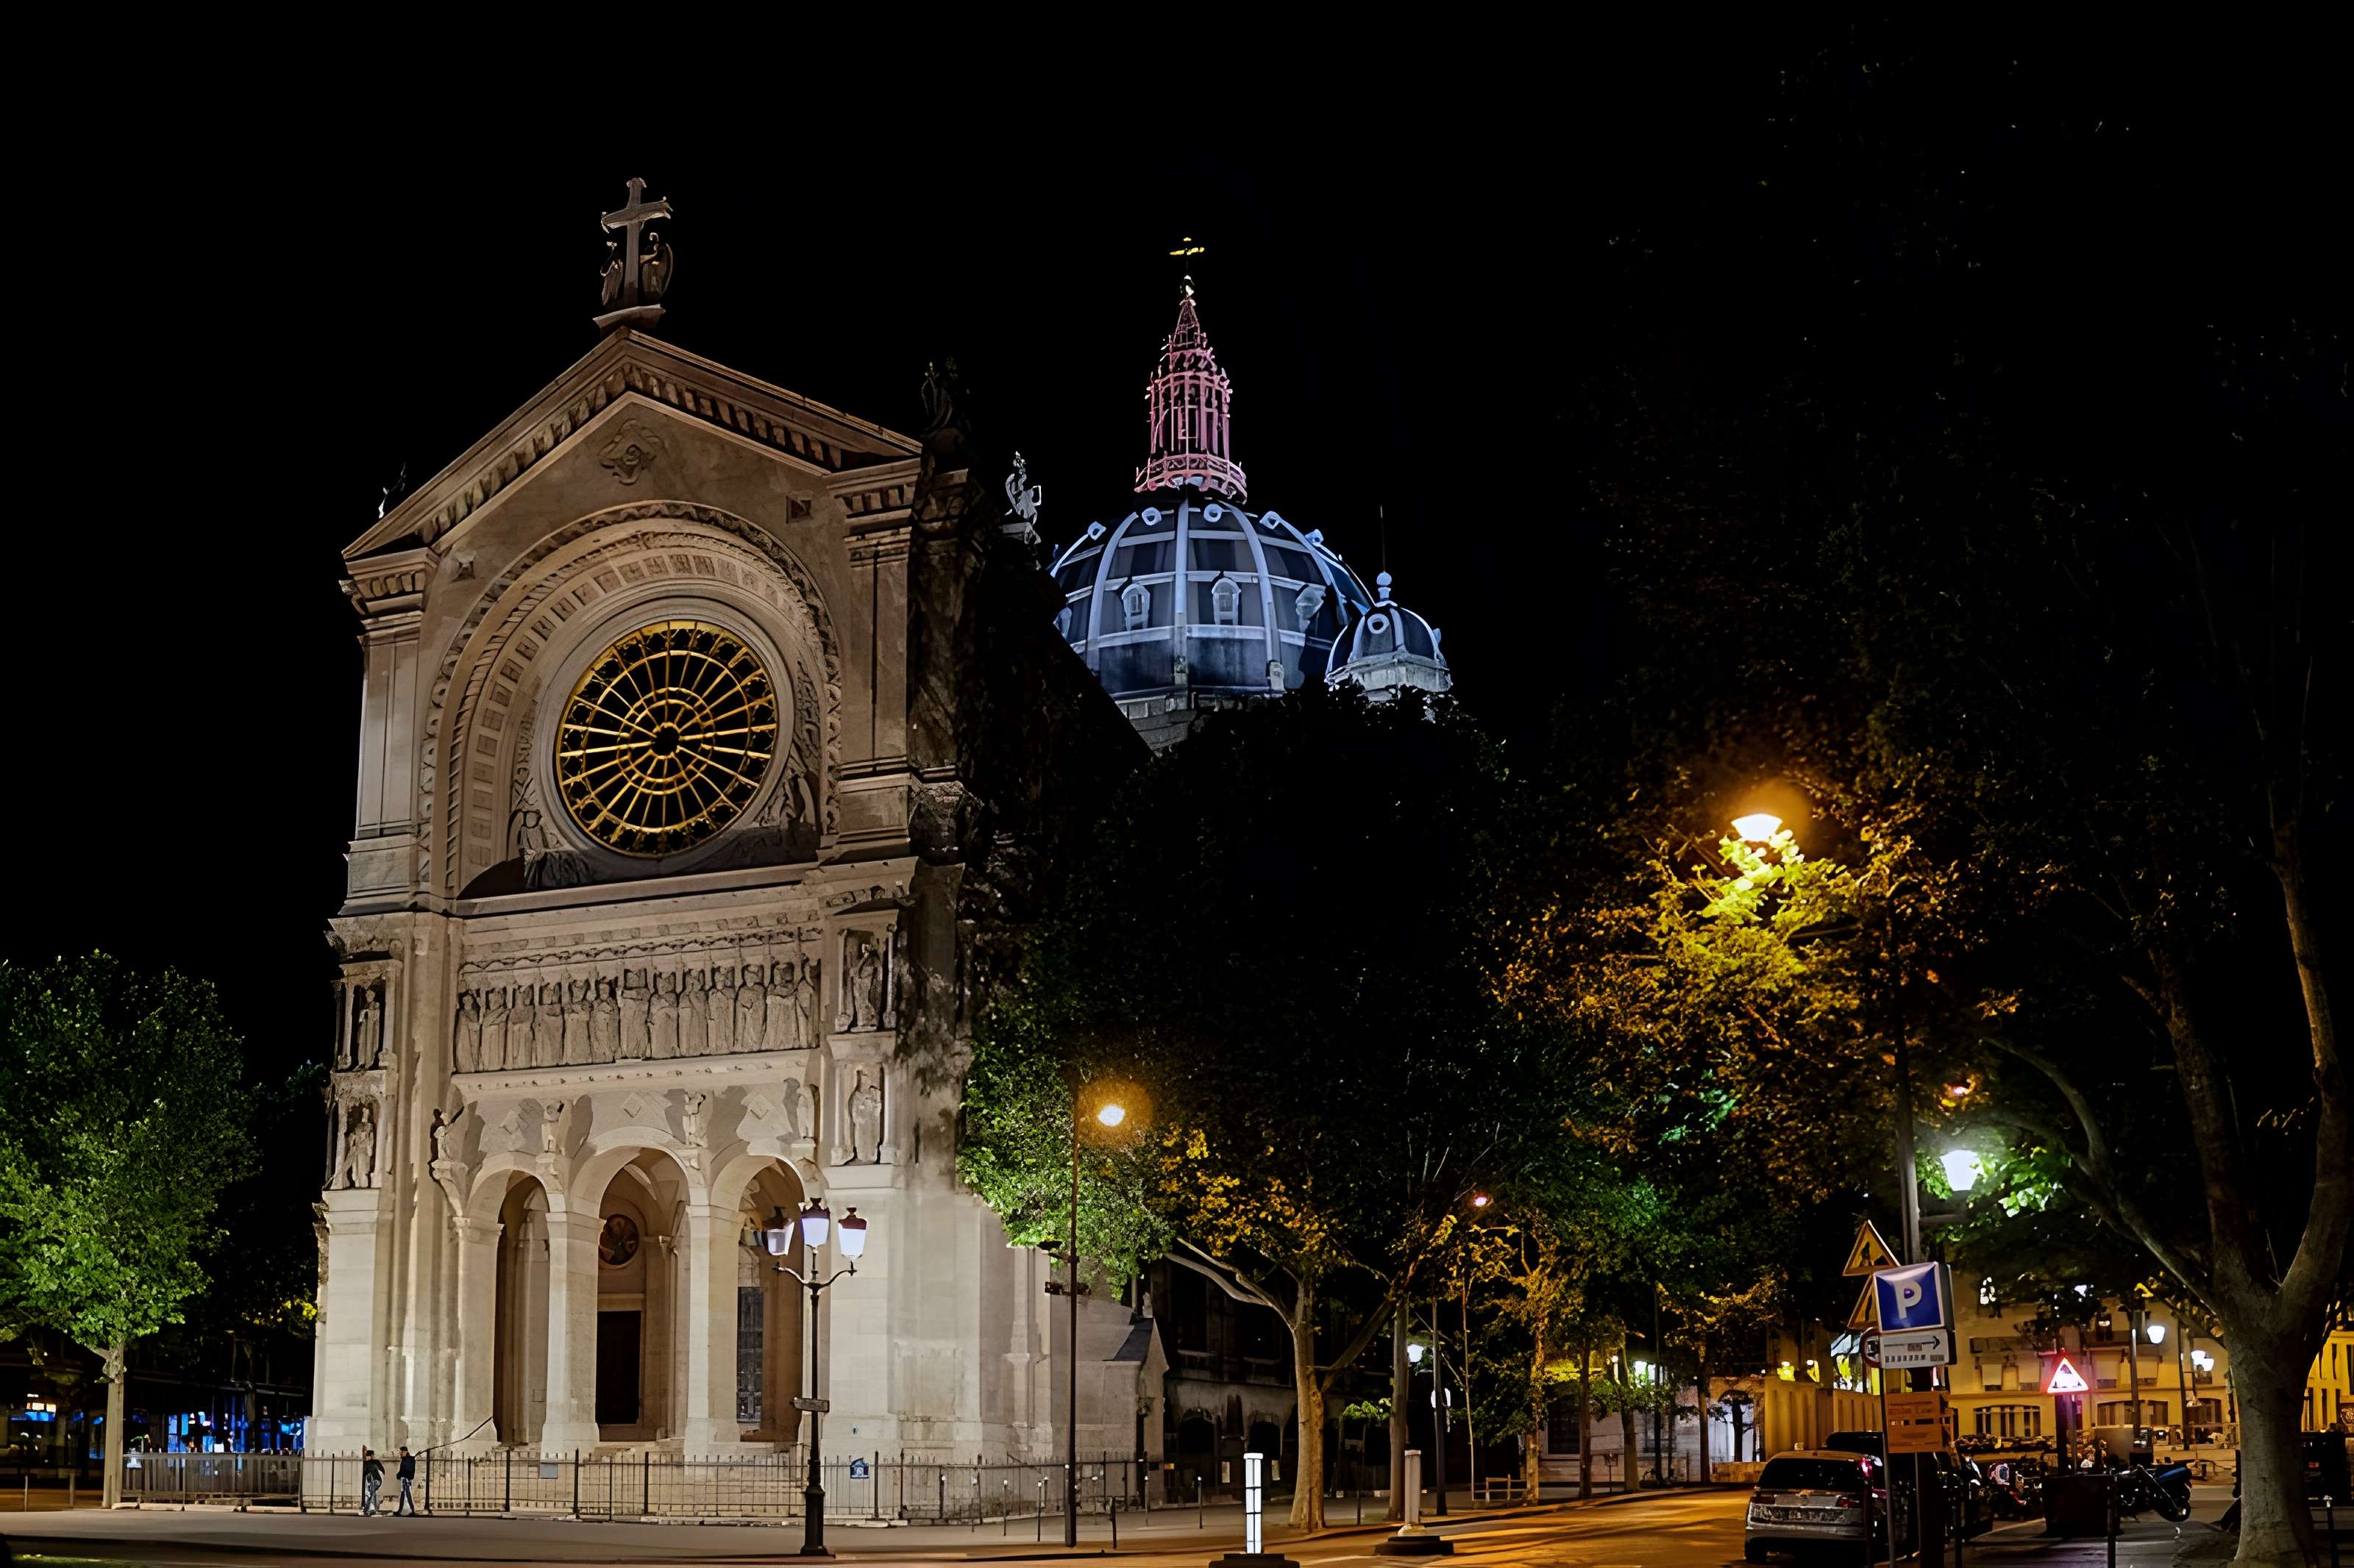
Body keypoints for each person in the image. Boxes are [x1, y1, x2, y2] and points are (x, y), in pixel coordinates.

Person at [394, 1445, 419, 1515]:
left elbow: (405, 1470)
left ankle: (412, 1510)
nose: (401, 1453)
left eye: (402, 1452)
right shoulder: (407, 1459)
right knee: (403, 1495)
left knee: (408, 1495)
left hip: (406, 1480)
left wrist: (399, 1475)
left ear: (405, 1452)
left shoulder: (407, 1460)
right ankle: (400, 1510)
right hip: (405, 1479)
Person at [360, 1447, 383, 1515]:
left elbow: (365, 1472)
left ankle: (371, 1508)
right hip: (375, 1480)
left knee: (371, 1493)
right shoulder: (374, 1462)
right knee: (371, 1493)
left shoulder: (371, 1463)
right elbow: (382, 1470)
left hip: (374, 1480)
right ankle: (370, 1508)